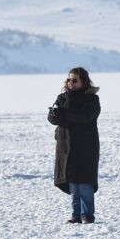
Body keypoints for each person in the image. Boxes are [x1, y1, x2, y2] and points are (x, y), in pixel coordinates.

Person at [48, 67, 100, 223]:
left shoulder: (91, 99)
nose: (71, 83)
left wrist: (63, 113)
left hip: (85, 146)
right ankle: (76, 214)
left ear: (83, 81)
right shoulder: (62, 97)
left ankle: (87, 215)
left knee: (84, 181)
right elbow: (52, 118)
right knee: (73, 183)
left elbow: (84, 117)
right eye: (69, 80)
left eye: (75, 80)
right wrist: (55, 114)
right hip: (65, 146)